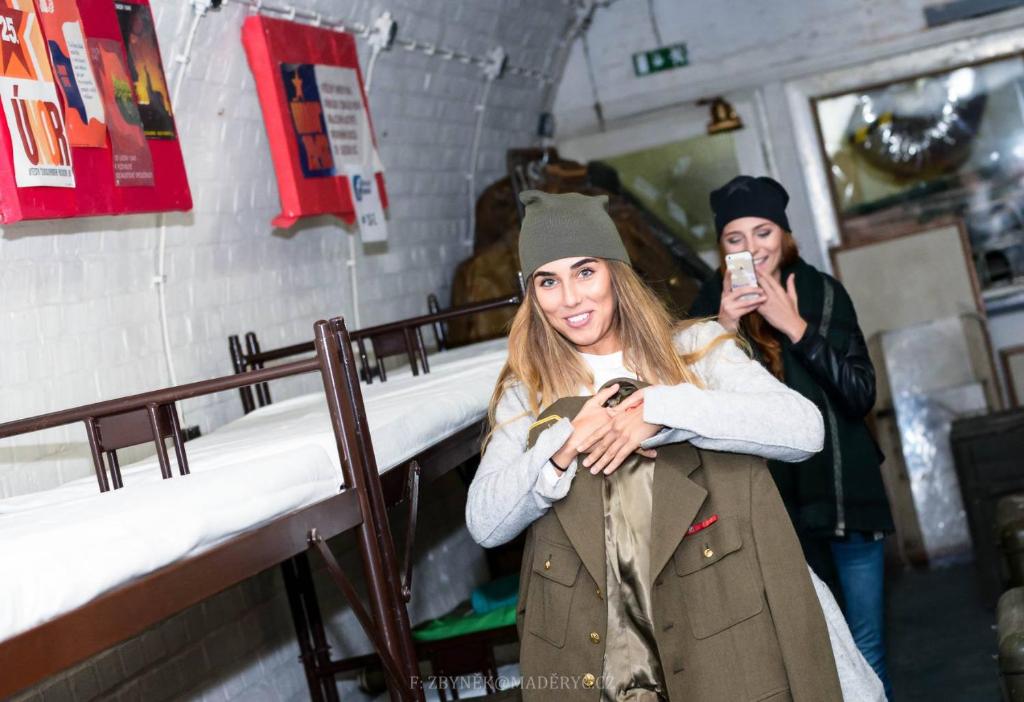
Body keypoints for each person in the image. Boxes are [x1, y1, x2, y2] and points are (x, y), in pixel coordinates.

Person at [466, 190, 883, 701]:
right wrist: (564, 443)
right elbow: (486, 523)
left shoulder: (694, 350)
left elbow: (802, 429)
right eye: (547, 281)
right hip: (611, 650)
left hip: (721, 615)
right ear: (532, 294)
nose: (570, 298)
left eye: (585, 272)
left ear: (616, 274)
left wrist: (660, 409)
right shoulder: (526, 392)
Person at [690, 175, 895, 698]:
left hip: (846, 491)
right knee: (807, 653)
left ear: (784, 235)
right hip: (771, 506)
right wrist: (722, 329)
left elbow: (859, 394)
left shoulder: (823, 292)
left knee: (867, 648)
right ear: (722, 246)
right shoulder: (708, 303)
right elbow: (698, 408)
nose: (752, 248)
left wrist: (795, 326)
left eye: (763, 232)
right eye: (735, 238)